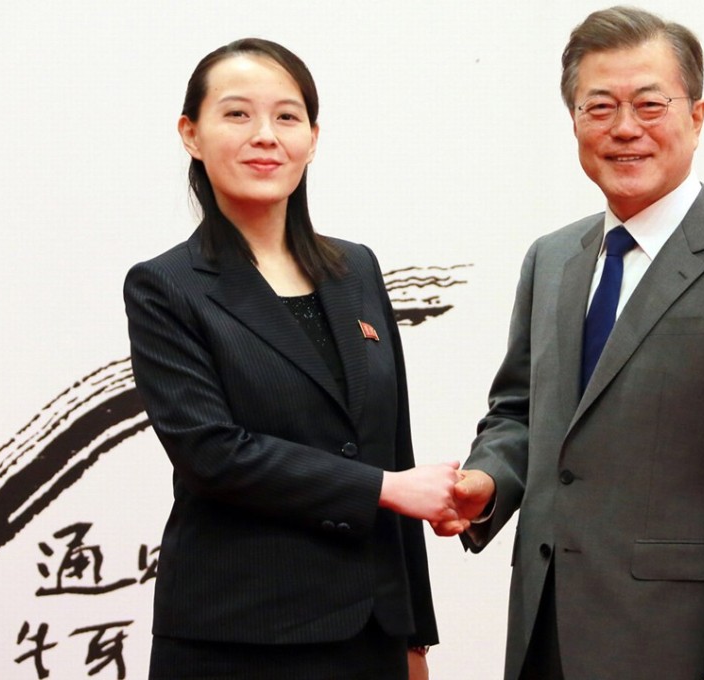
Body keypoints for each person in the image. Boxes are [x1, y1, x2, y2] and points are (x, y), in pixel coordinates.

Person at [434, 7, 704, 680]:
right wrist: (487, 481)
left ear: (697, 117)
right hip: (545, 630)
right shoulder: (552, 258)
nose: (624, 129)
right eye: (599, 107)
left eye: (649, 105)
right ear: (575, 123)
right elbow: (522, 412)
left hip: (676, 648)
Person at [124, 38, 460, 680]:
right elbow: (214, 454)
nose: (265, 136)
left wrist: (415, 636)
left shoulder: (355, 268)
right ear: (190, 134)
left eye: (286, 116)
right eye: (237, 114)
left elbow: (391, 445)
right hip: (237, 640)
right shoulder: (167, 285)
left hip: (370, 636)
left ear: (311, 136)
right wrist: (385, 490)